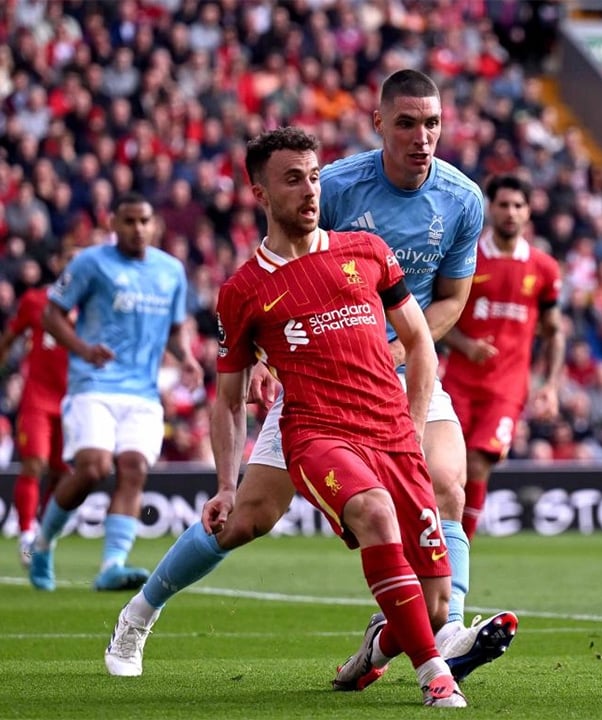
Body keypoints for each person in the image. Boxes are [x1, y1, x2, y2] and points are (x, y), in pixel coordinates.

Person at [106, 69, 515, 682]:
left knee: (448, 485)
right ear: (379, 125)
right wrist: (270, 358)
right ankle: (140, 612)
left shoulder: (463, 199)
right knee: (248, 520)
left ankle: (447, 627)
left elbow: (453, 299)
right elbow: (284, 273)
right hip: (316, 381)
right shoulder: (338, 185)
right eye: (405, 123)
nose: (421, 136)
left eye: (431, 123)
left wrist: (404, 350)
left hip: (401, 366)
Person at [27, 192, 198, 592]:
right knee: (93, 468)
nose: (138, 229)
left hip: (142, 391)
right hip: (94, 384)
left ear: (154, 225)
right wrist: (84, 349)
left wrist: (186, 358)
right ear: (113, 225)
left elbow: (173, 330)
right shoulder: (90, 262)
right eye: (129, 221)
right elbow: (51, 314)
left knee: (135, 468)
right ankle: (42, 542)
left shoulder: (170, 270)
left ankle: (112, 566)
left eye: (144, 221)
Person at [440, 173, 563, 541]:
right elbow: (437, 320)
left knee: (478, 463)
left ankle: (459, 551)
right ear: (490, 209)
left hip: (507, 389)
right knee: (446, 470)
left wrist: (551, 386)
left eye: (518, 205)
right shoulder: (466, 259)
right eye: (504, 205)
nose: (511, 212)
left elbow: (554, 331)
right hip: (458, 383)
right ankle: (436, 543)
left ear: (528, 213)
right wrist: (467, 347)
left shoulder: (543, 268)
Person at [0, 258, 71, 567]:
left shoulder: (97, 304)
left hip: (73, 402)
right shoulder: (35, 301)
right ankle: (27, 533)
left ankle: (44, 532)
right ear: (57, 263)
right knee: (35, 463)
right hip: (37, 399)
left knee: (61, 472)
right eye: (70, 260)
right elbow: (10, 337)